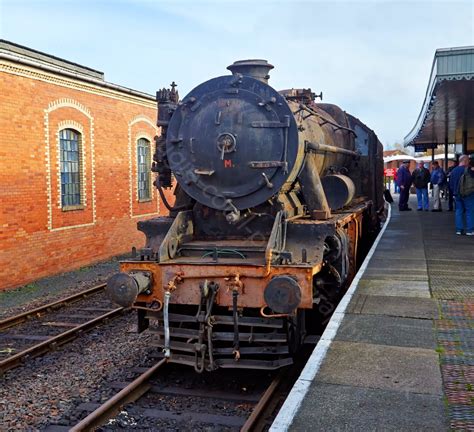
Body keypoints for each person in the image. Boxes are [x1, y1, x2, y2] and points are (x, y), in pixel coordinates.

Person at [449, 154, 474, 235]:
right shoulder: (469, 170)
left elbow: (451, 184)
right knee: (469, 211)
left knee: (458, 211)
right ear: (465, 161)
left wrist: (454, 192)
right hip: (468, 194)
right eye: (468, 160)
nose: (469, 162)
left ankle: (459, 229)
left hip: (457, 194)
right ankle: (470, 230)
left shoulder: (454, 171)